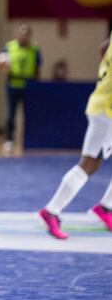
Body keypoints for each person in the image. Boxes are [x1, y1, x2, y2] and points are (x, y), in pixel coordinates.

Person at [38, 35, 112, 239]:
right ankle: (51, 211)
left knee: (92, 163)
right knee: (88, 164)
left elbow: (103, 46)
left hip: (102, 104)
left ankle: (106, 208)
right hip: (107, 110)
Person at [0, 23, 42, 155]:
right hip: (13, 84)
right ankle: (8, 140)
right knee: (11, 114)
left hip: (29, 85)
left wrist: (37, 84)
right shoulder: (9, 47)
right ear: (18, 34)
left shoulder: (34, 49)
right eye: (22, 32)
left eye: (27, 33)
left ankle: (30, 139)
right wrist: (1, 64)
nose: (24, 36)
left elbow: (38, 67)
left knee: (29, 114)